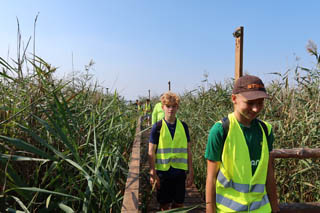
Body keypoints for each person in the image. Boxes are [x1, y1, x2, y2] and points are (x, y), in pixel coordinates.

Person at [205, 75, 279, 213]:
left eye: (260, 102)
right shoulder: (220, 130)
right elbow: (211, 178)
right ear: (234, 99)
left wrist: (275, 208)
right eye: (250, 103)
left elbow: (269, 173)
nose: (256, 109)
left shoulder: (265, 130)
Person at [148, 91, 194, 211]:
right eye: (168, 106)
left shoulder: (183, 126)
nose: (171, 109)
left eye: (174, 106)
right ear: (162, 107)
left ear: (177, 107)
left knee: (179, 204)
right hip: (163, 173)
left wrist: (191, 171)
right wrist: (153, 172)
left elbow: (188, 150)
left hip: (179, 172)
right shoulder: (157, 127)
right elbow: (151, 151)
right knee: (164, 205)